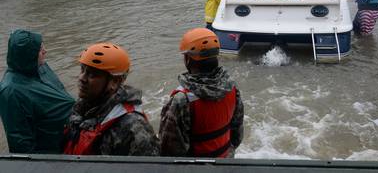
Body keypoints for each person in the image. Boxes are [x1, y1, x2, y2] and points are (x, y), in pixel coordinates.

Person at [159, 28, 244, 158]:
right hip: (225, 161)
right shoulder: (231, 88)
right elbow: (237, 136)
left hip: (195, 168)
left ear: (188, 59)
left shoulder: (182, 100)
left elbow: (170, 151)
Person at [63, 43, 160, 156]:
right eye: (82, 70)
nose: (82, 78)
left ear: (115, 81)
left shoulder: (134, 127)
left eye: (92, 75)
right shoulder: (82, 108)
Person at [0, 29, 74, 153]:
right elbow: (20, 142)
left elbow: (60, 90)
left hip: (69, 133)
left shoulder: (40, 66)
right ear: (29, 55)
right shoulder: (11, 91)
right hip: (53, 151)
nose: (45, 51)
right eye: (40, 50)